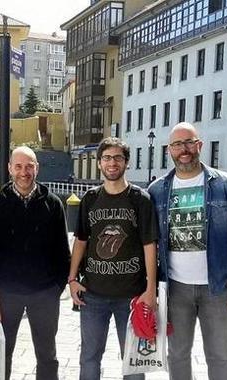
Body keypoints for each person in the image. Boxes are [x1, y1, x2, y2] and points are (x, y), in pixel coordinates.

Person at [147, 123, 227, 380]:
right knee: (177, 354)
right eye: (177, 145)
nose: (184, 150)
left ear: (199, 145)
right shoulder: (157, 191)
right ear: (169, 150)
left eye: (189, 142)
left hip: (218, 287)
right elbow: (147, 244)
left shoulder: (226, 185)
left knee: (219, 356)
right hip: (175, 288)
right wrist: (149, 288)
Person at [69, 137, 158, 380]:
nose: (112, 163)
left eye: (118, 157)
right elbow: (81, 240)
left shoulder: (141, 200)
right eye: (107, 158)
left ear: (126, 163)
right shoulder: (90, 198)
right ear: (99, 163)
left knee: (133, 361)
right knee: (89, 357)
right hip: (93, 294)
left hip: (131, 297)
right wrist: (72, 278)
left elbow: (150, 245)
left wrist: (151, 290)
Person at [0, 146, 71, 380]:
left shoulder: (52, 205)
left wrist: (56, 288)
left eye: (29, 166)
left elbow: (63, 250)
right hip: (7, 295)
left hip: (44, 293)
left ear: (37, 169)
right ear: (10, 168)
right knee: (2, 353)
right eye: (19, 166)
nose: (25, 172)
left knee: (47, 355)